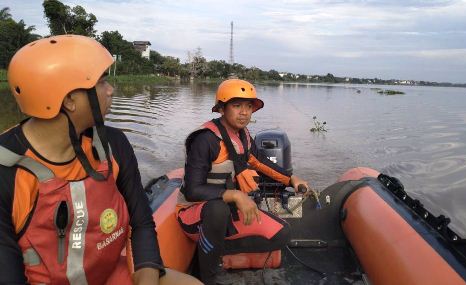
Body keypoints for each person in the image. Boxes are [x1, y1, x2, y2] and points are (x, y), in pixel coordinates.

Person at [0, 35, 201, 285]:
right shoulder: (7, 171)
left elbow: (141, 221)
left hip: (111, 274)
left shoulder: (113, 144)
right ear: (69, 100)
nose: (111, 90)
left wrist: (147, 274)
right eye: (102, 82)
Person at [177, 79, 310, 284]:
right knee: (217, 210)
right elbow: (192, 190)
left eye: (249, 107)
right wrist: (235, 194)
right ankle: (207, 276)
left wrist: (291, 178)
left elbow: (260, 162)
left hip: (227, 211)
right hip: (195, 215)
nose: (244, 112)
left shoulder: (243, 135)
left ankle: (217, 250)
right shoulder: (206, 140)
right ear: (222, 108)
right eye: (237, 105)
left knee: (282, 234)